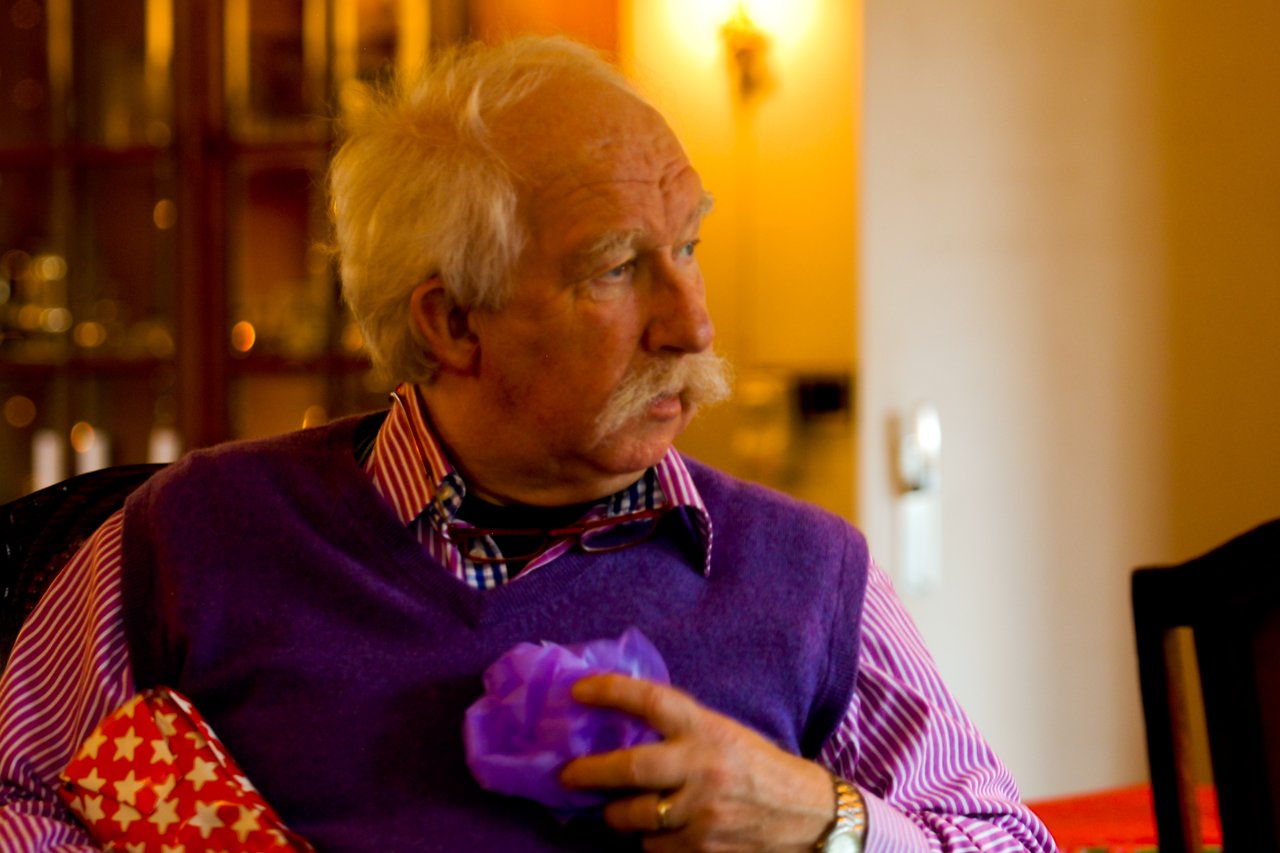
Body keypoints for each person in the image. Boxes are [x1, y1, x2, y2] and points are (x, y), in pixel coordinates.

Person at [0, 36, 1055, 852]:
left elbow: (1007, 839)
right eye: (614, 268)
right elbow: (15, 792)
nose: (692, 325)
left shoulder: (810, 573)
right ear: (451, 322)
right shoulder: (195, 533)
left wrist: (818, 817)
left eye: (686, 246)